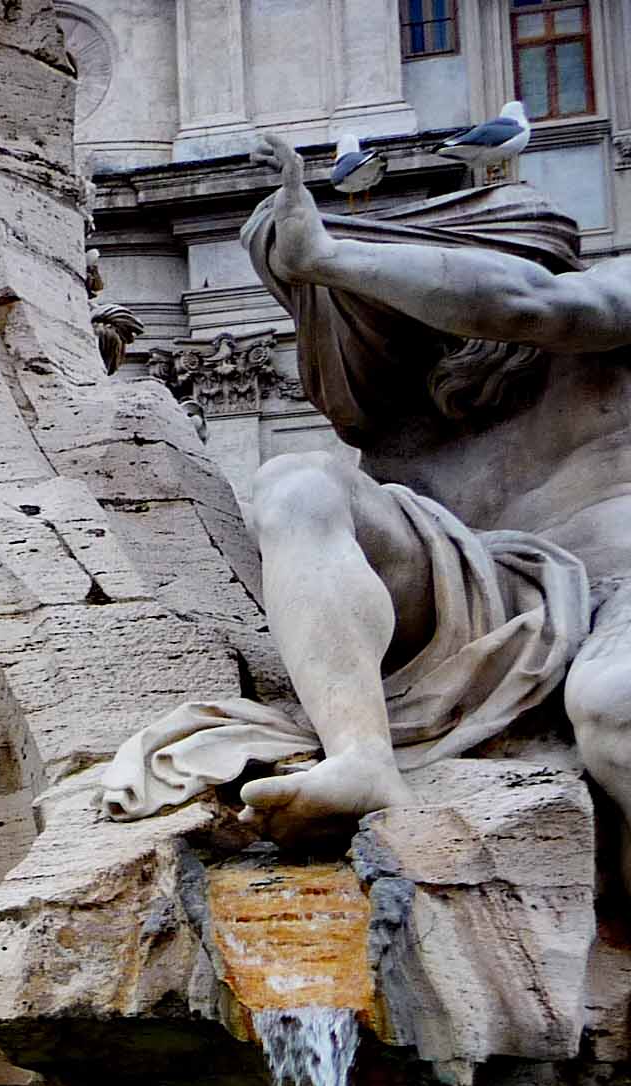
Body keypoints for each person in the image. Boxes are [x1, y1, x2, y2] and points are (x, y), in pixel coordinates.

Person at [101, 133, 631, 875]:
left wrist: (330, 257)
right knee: (296, 482)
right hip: (493, 594)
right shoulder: (399, 404)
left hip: (620, 591)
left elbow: (538, 303)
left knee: (616, 701)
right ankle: (360, 754)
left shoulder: (606, 304)